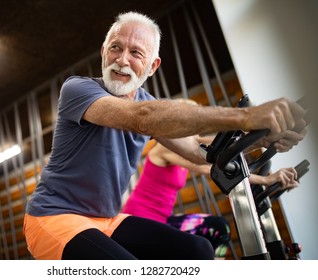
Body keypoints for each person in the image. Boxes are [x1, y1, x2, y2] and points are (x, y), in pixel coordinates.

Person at [23, 11, 307, 260]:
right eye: (115, 48)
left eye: (136, 53)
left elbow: (199, 150)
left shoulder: (146, 100)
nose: (122, 60)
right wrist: (246, 117)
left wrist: (260, 140)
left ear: (152, 66)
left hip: (106, 219)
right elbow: (140, 119)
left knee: (200, 251)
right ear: (103, 52)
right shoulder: (79, 89)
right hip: (53, 216)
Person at [122, 139, 299, 259]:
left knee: (211, 236)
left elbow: (211, 143)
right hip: (141, 218)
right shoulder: (165, 148)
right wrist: (266, 180)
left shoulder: (188, 145)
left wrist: (258, 139)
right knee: (218, 228)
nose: (196, 134)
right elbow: (209, 168)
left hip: (163, 219)